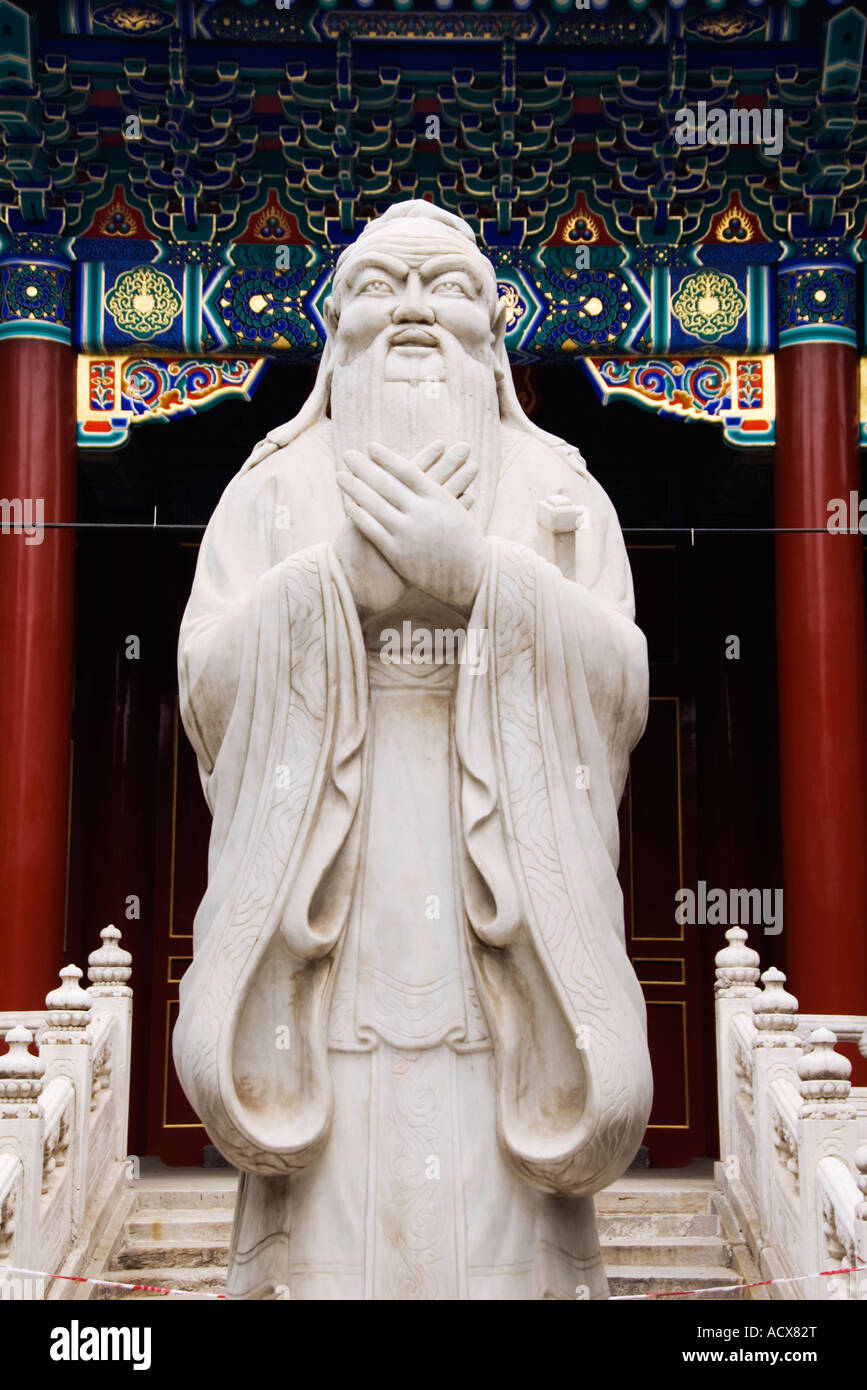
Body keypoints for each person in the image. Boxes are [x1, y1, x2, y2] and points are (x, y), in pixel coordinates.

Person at [174, 201, 652, 1300]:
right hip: (323, 959)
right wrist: (337, 581)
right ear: (335, 327)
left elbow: (620, 692)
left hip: (507, 958)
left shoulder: (560, 492)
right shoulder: (272, 490)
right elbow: (206, 693)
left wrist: (483, 575)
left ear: (494, 330)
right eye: (382, 287)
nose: (414, 310)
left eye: (444, 286)